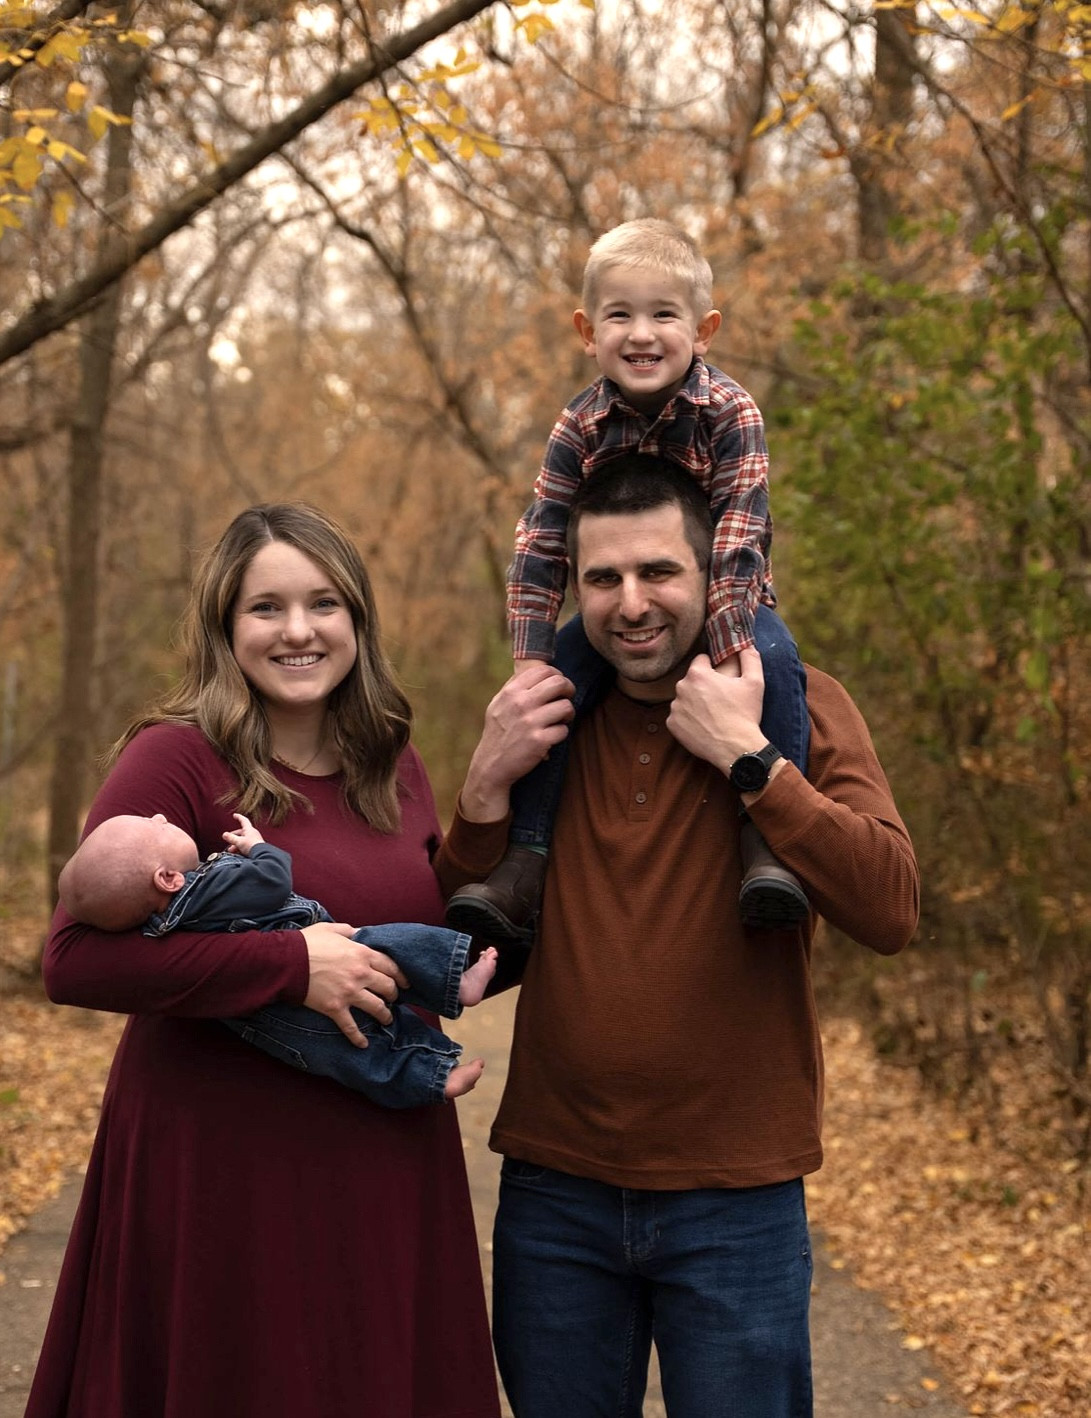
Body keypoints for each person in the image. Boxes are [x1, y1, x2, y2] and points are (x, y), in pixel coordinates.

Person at [436, 456, 920, 1418]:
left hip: (734, 1199)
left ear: (713, 575)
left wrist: (752, 761)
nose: (630, 603)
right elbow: (465, 956)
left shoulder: (798, 704)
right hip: (555, 1190)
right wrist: (482, 790)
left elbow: (890, 907)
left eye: (658, 571)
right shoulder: (548, 722)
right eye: (602, 578)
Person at [25, 503, 502, 1418]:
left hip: (383, 1159)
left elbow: (428, 924)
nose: (297, 631)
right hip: (221, 1168)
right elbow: (73, 961)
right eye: (265, 607)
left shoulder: (391, 762)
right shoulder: (174, 759)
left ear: (356, 619)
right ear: (224, 626)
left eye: (323, 603)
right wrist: (290, 966)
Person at [446, 218, 809, 944]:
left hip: (730, 599)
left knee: (774, 662)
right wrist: (530, 659)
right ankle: (526, 858)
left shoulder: (729, 411)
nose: (641, 334)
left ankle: (767, 845)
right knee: (550, 696)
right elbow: (542, 537)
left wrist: (728, 646)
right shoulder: (578, 425)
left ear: (703, 330)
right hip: (616, 617)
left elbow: (740, 532)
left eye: (663, 314)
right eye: (619, 315)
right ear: (588, 331)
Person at [56, 809, 498, 1108]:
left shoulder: (163, 925)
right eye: (155, 828)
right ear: (169, 878)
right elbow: (273, 880)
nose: (159, 815)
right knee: (388, 944)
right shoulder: (206, 889)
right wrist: (257, 847)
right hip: (317, 956)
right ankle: (454, 982)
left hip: (277, 1022)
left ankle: (434, 1077)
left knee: (358, 1055)